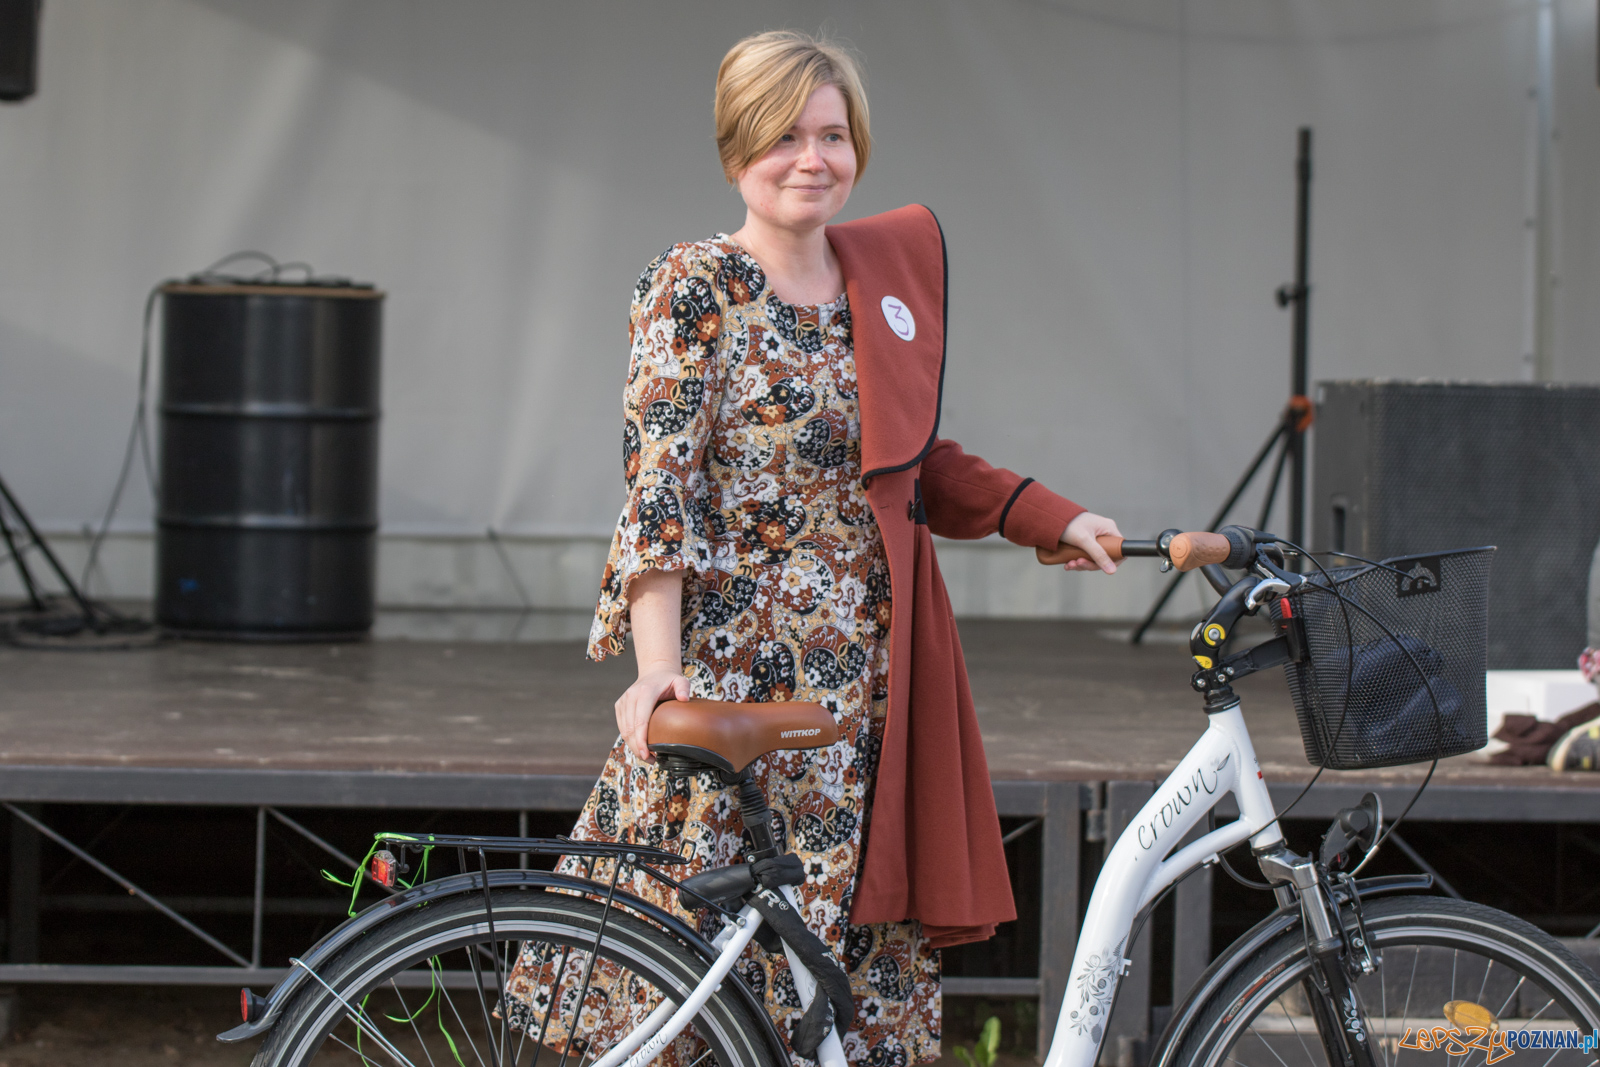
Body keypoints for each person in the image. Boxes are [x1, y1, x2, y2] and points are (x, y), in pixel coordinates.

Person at [504, 30, 1122, 1067]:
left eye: (832, 135)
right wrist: (659, 672)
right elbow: (659, 490)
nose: (812, 158)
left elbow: (915, 460)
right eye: (784, 135)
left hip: (863, 692)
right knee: (695, 965)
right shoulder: (696, 285)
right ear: (736, 146)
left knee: (841, 957)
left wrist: (1050, 514)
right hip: (738, 669)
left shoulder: (871, 278)